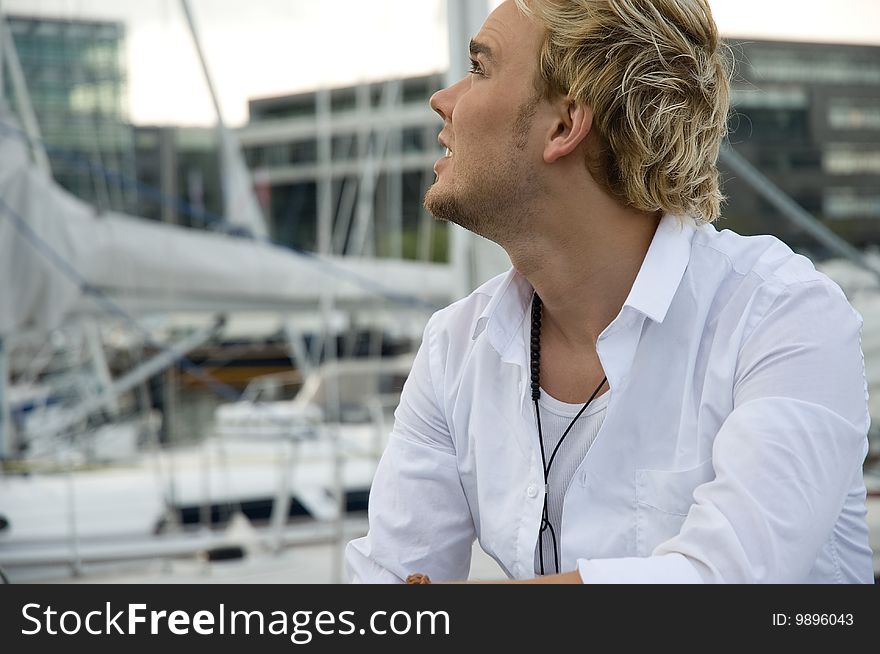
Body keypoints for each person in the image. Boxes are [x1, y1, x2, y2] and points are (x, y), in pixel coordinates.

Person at [345, 0, 875, 583]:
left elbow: (724, 584)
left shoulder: (780, 314)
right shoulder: (454, 348)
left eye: (480, 69)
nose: (442, 100)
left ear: (565, 124)